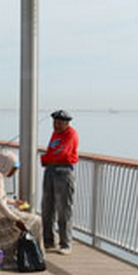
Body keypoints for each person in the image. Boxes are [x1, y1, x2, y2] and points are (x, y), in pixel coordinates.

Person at [0, 149, 44, 257]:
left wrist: (13, 202)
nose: (14, 172)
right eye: (14, 168)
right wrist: (16, 219)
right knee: (36, 220)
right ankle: (36, 254)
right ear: (6, 165)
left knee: (26, 218)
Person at [41, 109, 78, 255]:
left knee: (64, 208)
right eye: (55, 122)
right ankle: (48, 240)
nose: (56, 125)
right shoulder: (55, 134)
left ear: (66, 123)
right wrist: (47, 159)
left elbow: (60, 153)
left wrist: (45, 159)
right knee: (47, 206)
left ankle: (65, 243)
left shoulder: (70, 134)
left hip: (63, 171)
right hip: (50, 170)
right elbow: (51, 152)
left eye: (59, 123)